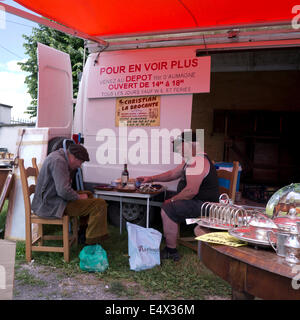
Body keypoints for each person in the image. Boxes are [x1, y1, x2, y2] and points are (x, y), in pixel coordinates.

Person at [137, 130, 219, 261]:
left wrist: (172, 200)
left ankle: (171, 251)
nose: (179, 150)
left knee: (168, 208)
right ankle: (170, 237)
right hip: (199, 202)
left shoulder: (197, 161)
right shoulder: (191, 159)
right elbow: (172, 174)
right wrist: (150, 178)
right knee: (169, 204)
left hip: (206, 206)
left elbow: (191, 191)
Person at [32, 143, 107, 245]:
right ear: (73, 157)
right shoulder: (59, 161)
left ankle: (83, 233)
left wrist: (80, 195)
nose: (79, 166)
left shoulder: (59, 157)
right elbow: (63, 191)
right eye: (80, 162)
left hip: (52, 200)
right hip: (51, 205)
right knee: (99, 204)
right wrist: (78, 196)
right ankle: (91, 242)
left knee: (88, 194)